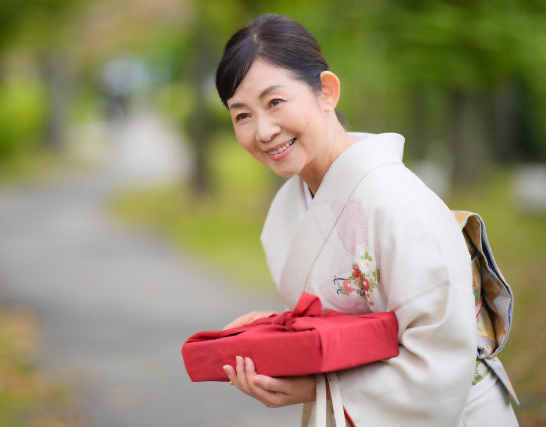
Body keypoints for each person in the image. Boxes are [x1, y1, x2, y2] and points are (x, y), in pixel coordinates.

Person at [215, 14, 519, 426]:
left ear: (326, 92)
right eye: (242, 115)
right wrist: (274, 330)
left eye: (275, 102)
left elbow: (442, 362)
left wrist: (318, 388)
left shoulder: (399, 201)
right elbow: (341, 320)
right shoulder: (289, 206)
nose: (264, 130)